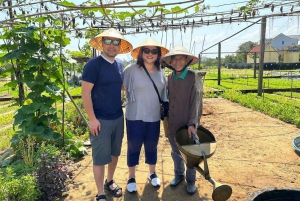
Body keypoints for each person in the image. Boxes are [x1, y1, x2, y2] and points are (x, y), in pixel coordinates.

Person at [81, 28, 133, 201]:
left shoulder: (118, 65)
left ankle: (109, 181)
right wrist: (92, 119)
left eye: (116, 42)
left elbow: (113, 84)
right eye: (108, 41)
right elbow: (85, 93)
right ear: (101, 43)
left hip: (118, 117)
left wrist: (121, 87)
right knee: (99, 157)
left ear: (120, 46)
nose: (112, 45)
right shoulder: (93, 65)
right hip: (101, 119)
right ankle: (100, 193)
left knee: (114, 153)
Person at [122, 37, 169, 193]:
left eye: (154, 51)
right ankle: (131, 176)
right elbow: (119, 87)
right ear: (141, 53)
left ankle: (152, 172)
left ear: (158, 54)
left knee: (151, 144)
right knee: (134, 145)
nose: (150, 54)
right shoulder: (130, 70)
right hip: (135, 115)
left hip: (154, 116)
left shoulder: (161, 72)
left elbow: (164, 95)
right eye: (146, 50)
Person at [160, 45, 203, 195]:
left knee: (190, 153)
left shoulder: (193, 77)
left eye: (181, 58)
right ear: (170, 62)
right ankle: (179, 175)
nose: (178, 62)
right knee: (175, 152)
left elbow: (196, 102)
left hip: (187, 123)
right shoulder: (170, 77)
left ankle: (191, 180)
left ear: (187, 60)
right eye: (174, 59)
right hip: (173, 122)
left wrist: (192, 123)